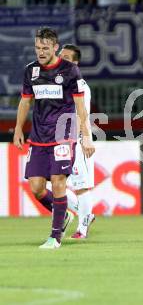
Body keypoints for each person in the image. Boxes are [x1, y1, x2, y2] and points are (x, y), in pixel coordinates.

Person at [13, 27, 95, 249]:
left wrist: (86, 137)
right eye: (37, 48)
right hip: (39, 137)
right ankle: (65, 216)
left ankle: (54, 237)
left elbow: (80, 107)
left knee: (59, 182)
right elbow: (25, 101)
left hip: (63, 136)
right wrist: (19, 128)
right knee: (36, 187)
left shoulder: (69, 71)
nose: (40, 52)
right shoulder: (31, 71)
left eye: (45, 48)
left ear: (55, 48)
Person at [59, 44, 96, 239]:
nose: (60, 59)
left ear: (75, 63)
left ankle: (82, 228)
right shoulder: (58, 82)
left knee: (81, 185)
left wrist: (85, 138)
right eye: (60, 55)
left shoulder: (79, 84)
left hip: (77, 139)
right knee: (51, 183)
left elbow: (83, 114)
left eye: (66, 57)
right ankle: (86, 213)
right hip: (59, 140)